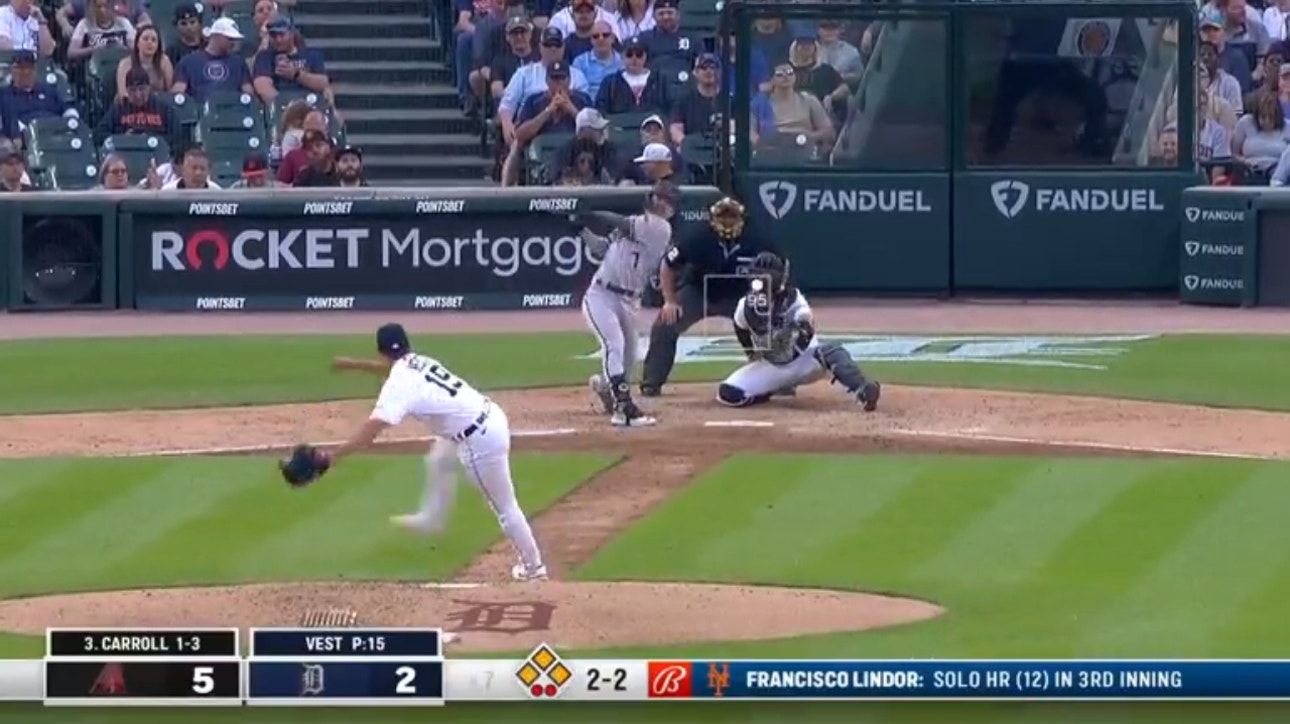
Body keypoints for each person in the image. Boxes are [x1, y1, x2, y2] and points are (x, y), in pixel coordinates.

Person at [329, 323, 549, 582]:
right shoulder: (420, 361)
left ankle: (534, 569)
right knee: (439, 457)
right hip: (490, 415)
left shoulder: (398, 385)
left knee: (505, 507)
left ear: (380, 351)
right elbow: (391, 368)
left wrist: (330, 458)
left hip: (479, 440)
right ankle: (433, 517)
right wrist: (355, 365)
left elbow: (370, 432)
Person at [639, 196, 781, 396]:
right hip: (699, 291)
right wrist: (669, 301)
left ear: (742, 218)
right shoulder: (698, 238)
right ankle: (651, 382)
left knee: (769, 328)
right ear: (712, 218)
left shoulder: (757, 240)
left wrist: (767, 300)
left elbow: (779, 267)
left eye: (732, 217)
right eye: (723, 217)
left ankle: (779, 380)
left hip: (740, 295)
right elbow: (668, 265)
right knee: (665, 325)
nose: (727, 222)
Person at [717, 252, 880, 410]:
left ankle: (863, 388)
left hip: (804, 361)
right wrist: (752, 354)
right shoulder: (746, 305)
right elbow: (740, 327)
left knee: (831, 351)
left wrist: (790, 337)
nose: (760, 281)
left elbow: (806, 326)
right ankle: (773, 388)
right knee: (729, 393)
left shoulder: (794, 300)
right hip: (773, 367)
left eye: (765, 276)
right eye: (757, 276)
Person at [579, 182, 678, 426]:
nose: (661, 203)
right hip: (601, 295)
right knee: (615, 344)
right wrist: (579, 229)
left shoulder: (659, 228)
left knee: (629, 356)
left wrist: (587, 211)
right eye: (659, 198)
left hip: (630, 300)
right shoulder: (640, 224)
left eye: (666, 200)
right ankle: (623, 409)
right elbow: (602, 249)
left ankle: (605, 387)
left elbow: (617, 221)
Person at [0, 50, 79, 144]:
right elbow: (10, 124)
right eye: (20, 68)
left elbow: (67, 109)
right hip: (26, 139)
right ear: (12, 70)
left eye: (29, 68)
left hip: (57, 135)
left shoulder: (48, 90)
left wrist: (70, 122)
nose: (25, 72)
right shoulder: (4, 95)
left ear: (35, 70)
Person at [172, 17, 253, 103]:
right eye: (229, 39)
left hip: (233, 110)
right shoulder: (188, 61)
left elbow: (249, 93)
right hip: (199, 112)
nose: (233, 43)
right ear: (216, 36)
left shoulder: (239, 62)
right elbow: (177, 93)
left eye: (235, 39)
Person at [251, 16, 329, 104]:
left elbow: (323, 83)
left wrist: (296, 74)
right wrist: (285, 105)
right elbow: (263, 88)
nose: (278, 40)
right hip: (279, 106)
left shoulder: (311, 55)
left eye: (282, 35)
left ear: (292, 33)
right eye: (273, 35)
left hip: (309, 103)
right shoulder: (264, 57)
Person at [95, 66, 179, 146]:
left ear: (149, 88)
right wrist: (122, 139)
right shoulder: (119, 108)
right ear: (127, 90)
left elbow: (177, 135)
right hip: (126, 154)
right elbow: (99, 134)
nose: (138, 95)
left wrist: (154, 139)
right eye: (132, 90)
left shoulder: (162, 107)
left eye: (141, 89)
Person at [595, 35, 670, 114]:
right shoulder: (610, 82)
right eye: (629, 54)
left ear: (645, 56)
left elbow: (669, 106)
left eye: (639, 54)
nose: (634, 59)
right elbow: (601, 110)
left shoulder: (659, 80)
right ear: (622, 56)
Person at [115, 24, 173, 98]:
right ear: (137, 43)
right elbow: (123, 94)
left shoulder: (164, 61)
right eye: (145, 39)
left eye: (154, 40)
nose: (150, 43)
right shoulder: (125, 64)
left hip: (158, 105)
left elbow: (171, 92)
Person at [67, 0, 135, 62]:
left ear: (112, 7)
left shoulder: (124, 23)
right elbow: (71, 52)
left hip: (121, 64)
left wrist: (121, 49)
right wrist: (94, 50)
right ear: (92, 8)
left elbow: (135, 48)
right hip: (94, 68)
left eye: (106, 6)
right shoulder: (84, 24)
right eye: (98, 7)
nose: (103, 10)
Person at [276, 110, 329, 183]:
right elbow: (280, 185)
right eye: (309, 130)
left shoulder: (333, 156)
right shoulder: (292, 157)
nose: (312, 135)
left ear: (325, 130)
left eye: (317, 130)